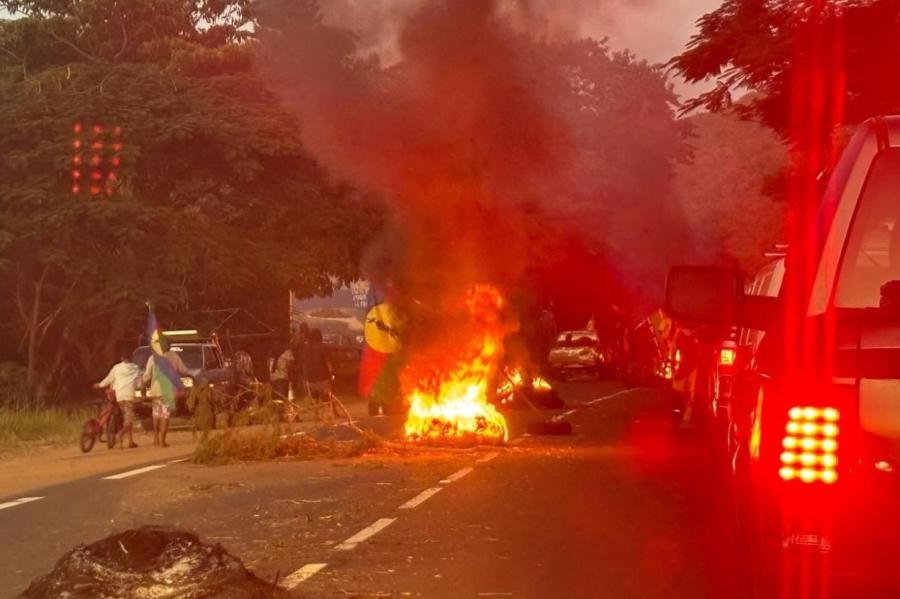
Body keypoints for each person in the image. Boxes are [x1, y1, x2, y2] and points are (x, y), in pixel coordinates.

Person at [142, 337, 191, 447]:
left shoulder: (152, 358)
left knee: (156, 415)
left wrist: (143, 390)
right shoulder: (174, 357)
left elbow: (146, 376)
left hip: (156, 391)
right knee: (165, 416)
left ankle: (155, 439)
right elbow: (184, 371)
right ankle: (162, 441)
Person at [94, 348, 140, 449]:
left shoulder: (117, 368)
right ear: (132, 358)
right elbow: (138, 384)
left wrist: (100, 385)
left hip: (118, 396)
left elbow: (108, 379)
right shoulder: (135, 368)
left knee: (125, 418)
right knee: (129, 419)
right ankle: (120, 434)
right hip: (129, 396)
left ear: (121, 358)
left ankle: (130, 441)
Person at [300, 329, 335, 419]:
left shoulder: (306, 348)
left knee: (314, 399)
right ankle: (328, 416)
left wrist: (305, 377)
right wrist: (332, 374)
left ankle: (316, 416)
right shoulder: (324, 347)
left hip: (310, 379)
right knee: (326, 398)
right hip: (323, 377)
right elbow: (328, 362)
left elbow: (303, 362)